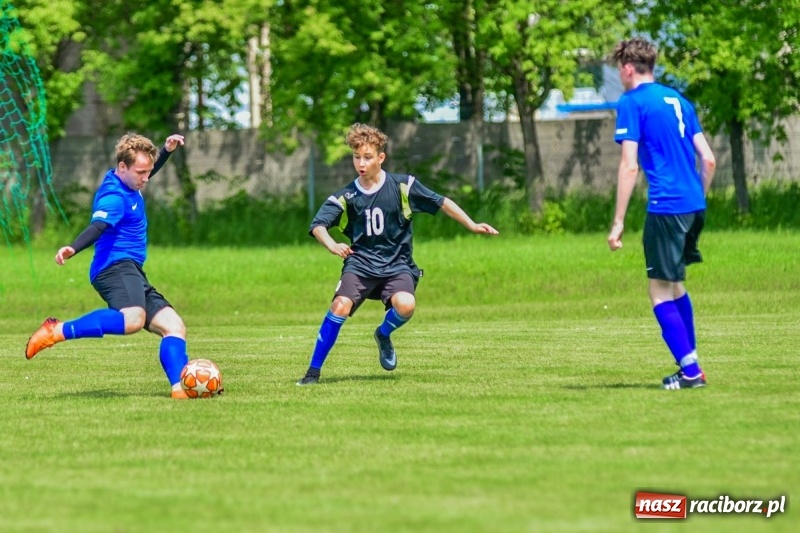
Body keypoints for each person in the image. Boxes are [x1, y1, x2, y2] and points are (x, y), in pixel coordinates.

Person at [297, 123, 499, 385]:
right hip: (360, 265)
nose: (361, 162)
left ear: (381, 158)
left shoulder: (403, 186)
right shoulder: (346, 195)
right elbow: (318, 226)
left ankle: (383, 334)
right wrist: (332, 244)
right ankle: (312, 373)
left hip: (397, 264)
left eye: (368, 157)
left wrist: (471, 224)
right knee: (339, 306)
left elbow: (441, 201)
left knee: (406, 305)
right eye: (357, 157)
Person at [24, 132, 192, 399]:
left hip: (131, 270)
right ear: (122, 167)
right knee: (133, 319)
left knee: (173, 326)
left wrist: (166, 152)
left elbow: (145, 169)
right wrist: (74, 248)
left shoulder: (129, 180)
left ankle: (181, 387)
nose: (146, 178)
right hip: (114, 266)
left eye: (149, 171)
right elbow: (99, 226)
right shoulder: (113, 196)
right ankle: (57, 330)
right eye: (141, 172)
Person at [608, 37, 716, 390]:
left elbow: (629, 167)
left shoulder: (632, 102)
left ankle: (690, 372)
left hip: (667, 206)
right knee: (676, 284)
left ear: (627, 68)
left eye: (618, 70)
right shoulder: (680, 100)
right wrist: (697, 198)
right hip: (693, 204)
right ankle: (690, 362)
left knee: (658, 291)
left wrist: (618, 221)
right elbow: (709, 159)